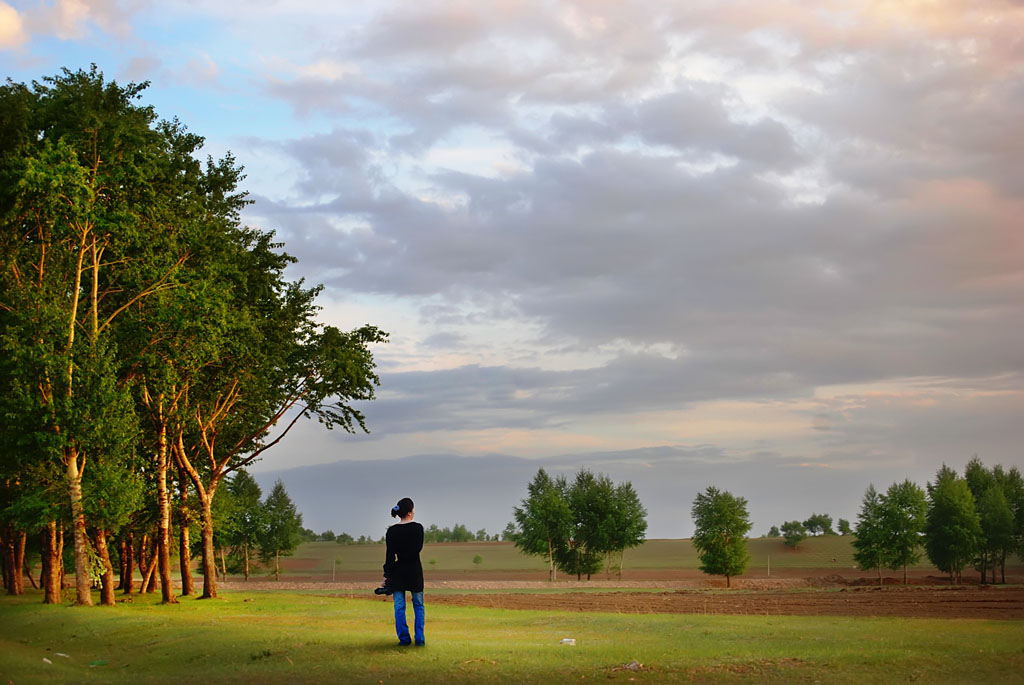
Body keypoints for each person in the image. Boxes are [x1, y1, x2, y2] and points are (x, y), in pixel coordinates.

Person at [383, 497, 425, 646]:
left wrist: (387, 576)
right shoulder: (418, 528)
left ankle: (404, 639)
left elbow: (389, 556)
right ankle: (419, 639)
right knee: (418, 605)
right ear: (409, 512)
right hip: (414, 571)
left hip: (398, 572)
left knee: (399, 607)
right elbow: (417, 549)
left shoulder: (392, 532)